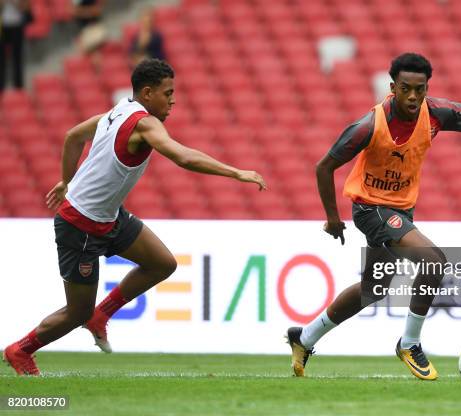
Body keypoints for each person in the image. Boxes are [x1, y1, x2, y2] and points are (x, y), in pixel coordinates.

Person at [286, 52, 461, 380]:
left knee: (373, 288)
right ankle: (409, 343)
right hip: (371, 208)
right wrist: (333, 218)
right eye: (406, 88)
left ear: (426, 88)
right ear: (393, 87)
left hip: (400, 208)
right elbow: (323, 167)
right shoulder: (369, 125)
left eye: (419, 89)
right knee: (434, 261)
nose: (412, 96)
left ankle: (304, 337)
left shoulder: (435, 112)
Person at [2, 58, 267, 375]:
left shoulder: (117, 111)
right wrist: (236, 172)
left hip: (109, 218)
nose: (173, 100)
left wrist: (66, 179)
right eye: (167, 93)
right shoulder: (145, 123)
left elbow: (73, 136)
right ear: (147, 92)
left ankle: (101, 316)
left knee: (163, 263)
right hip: (80, 224)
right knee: (76, 311)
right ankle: (21, 350)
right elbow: (181, 156)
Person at [0, 0, 31, 91]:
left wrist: (14, 2)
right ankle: (1, 86)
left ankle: (18, 86)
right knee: (1, 59)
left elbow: (26, 8)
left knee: (17, 58)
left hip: (17, 26)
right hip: (2, 26)